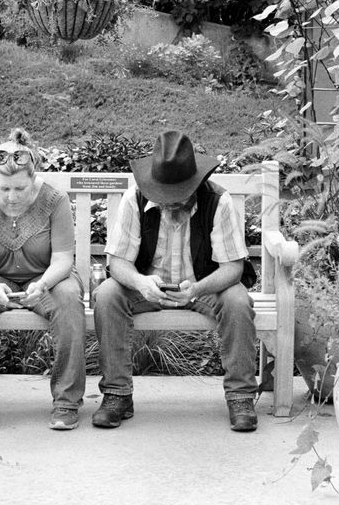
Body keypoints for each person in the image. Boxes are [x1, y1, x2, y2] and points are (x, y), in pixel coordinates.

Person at [92, 130, 259, 432]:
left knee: (237, 300)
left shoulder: (218, 201)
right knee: (106, 295)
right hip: (147, 287)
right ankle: (117, 394)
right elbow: (117, 263)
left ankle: (241, 397)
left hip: (204, 286)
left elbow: (233, 268)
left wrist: (197, 289)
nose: (169, 203)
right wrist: (141, 283)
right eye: (163, 196)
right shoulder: (134, 199)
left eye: (177, 196)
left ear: (194, 185)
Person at [0, 129, 86, 431]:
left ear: (33, 177)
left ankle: (66, 403)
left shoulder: (55, 200)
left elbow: (63, 260)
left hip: (48, 277)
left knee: (68, 299)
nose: (11, 197)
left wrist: (43, 284)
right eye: (4, 189)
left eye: (20, 189)